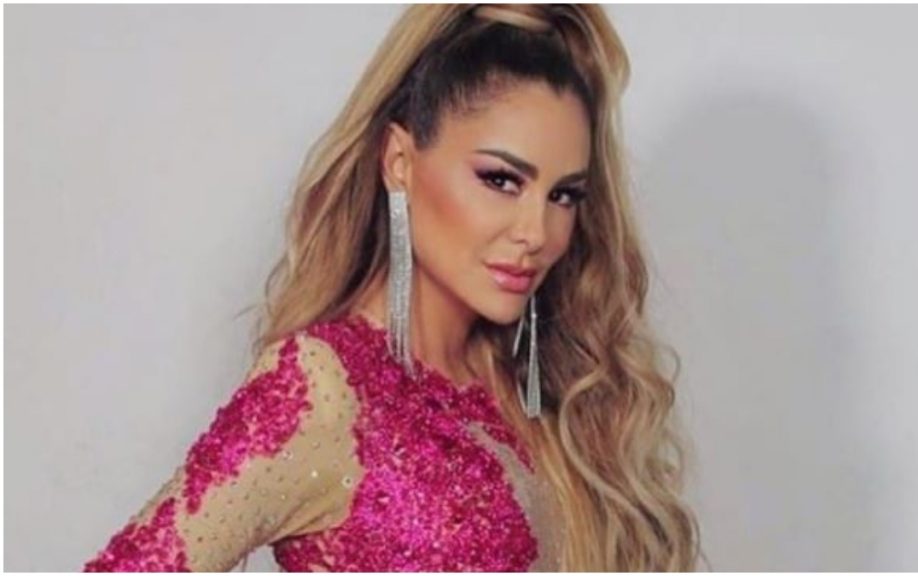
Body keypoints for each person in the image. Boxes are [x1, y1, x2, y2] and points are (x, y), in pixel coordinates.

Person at [82, 4, 706, 572]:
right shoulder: (321, 390)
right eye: (501, 180)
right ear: (400, 162)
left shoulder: (541, 389)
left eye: (563, 195)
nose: (536, 232)